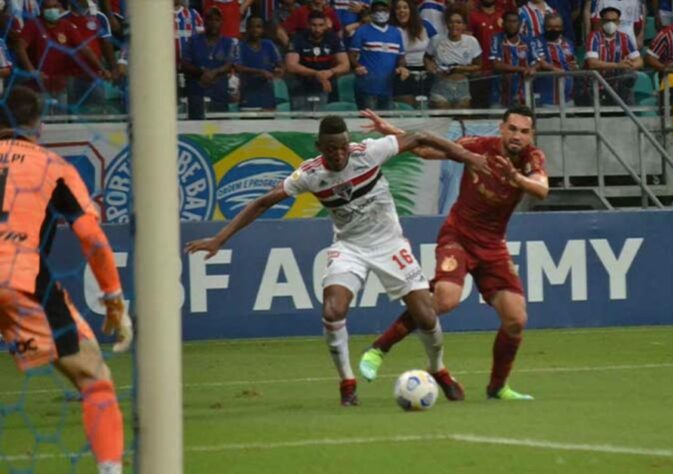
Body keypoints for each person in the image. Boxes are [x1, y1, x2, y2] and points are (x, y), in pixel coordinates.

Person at [185, 115, 491, 405]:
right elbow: (263, 202)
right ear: (320, 148)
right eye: (332, 149)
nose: (340, 154)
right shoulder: (310, 174)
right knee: (333, 309)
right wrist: (219, 239)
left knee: (426, 316)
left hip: (390, 244)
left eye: (344, 146)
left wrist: (468, 157)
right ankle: (347, 383)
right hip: (350, 247)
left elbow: (421, 136)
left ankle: (438, 369)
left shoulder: (369, 152)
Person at [358, 105, 549, 401]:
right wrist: (392, 133)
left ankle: (497, 387)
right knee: (446, 299)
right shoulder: (478, 147)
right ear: (501, 128)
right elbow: (425, 150)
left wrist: (517, 178)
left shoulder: (531, 159)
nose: (517, 136)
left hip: (493, 245)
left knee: (516, 319)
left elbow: (541, 189)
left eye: (524, 131)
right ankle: (379, 349)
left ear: (531, 135)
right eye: (512, 129)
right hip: (458, 235)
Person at [0, 86, 131, 474]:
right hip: (17, 276)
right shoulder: (51, 166)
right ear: (37, 126)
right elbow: (91, 237)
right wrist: (114, 300)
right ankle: (110, 470)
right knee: (95, 379)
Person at [19, 0, 108, 114]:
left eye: (55, 6)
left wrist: (101, 68)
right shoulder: (33, 25)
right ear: (41, 10)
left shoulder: (66, 26)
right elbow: (20, 47)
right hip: (39, 84)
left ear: (60, 8)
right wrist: (31, 70)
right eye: (48, 7)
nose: (52, 10)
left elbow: (85, 49)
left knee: (61, 119)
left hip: (60, 84)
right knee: (41, 120)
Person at [349, 0, 409, 110]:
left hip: (388, 87)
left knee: (386, 122)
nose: (381, 13)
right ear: (371, 12)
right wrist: (357, 66)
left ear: (389, 11)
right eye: (377, 10)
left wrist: (401, 67)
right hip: (366, 87)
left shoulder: (396, 33)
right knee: (368, 123)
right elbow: (352, 55)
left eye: (384, 10)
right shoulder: (362, 31)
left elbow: (401, 57)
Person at [286, 10, 350, 109]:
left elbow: (345, 65)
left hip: (324, 83)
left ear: (326, 25)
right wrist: (316, 73)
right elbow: (291, 66)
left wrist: (330, 72)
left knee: (320, 116)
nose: (317, 29)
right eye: (314, 25)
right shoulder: (298, 38)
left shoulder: (333, 38)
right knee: (300, 119)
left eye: (321, 25)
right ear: (308, 25)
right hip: (300, 83)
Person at [181, 7, 237, 119]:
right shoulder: (193, 41)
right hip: (197, 93)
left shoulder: (228, 42)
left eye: (217, 20)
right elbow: (185, 64)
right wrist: (201, 72)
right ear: (204, 22)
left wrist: (214, 72)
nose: (213, 23)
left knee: (220, 132)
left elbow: (229, 64)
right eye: (210, 19)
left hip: (219, 94)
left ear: (221, 23)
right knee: (196, 131)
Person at [65, 0, 117, 114]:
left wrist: (113, 69)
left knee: (97, 113)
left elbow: (106, 45)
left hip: (94, 75)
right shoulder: (63, 19)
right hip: (70, 76)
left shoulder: (100, 17)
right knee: (72, 114)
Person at [425, 7, 482, 109]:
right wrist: (430, 66)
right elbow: (427, 57)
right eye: (451, 22)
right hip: (441, 85)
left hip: (462, 86)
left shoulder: (472, 41)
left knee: (461, 119)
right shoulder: (436, 40)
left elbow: (478, 65)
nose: (454, 25)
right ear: (447, 24)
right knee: (443, 119)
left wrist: (461, 69)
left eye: (458, 22)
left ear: (464, 25)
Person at [584, 6, 642, 105]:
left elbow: (639, 61)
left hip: (617, 87)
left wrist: (629, 65)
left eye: (614, 20)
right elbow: (592, 63)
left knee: (631, 75)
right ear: (601, 22)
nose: (611, 23)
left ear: (618, 22)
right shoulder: (594, 37)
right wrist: (618, 65)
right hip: (596, 86)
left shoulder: (624, 38)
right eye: (607, 20)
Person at [491, 11, 539, 106]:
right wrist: (521, 68)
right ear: (503, 23)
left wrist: (533, 68)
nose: (511, 25)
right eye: (508, 21)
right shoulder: (496, 39)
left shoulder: (528, 41)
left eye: (514, 21)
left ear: (520, 24)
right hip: (500, 94)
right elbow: (496, 64)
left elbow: (537, 61)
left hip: (522, 94)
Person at [237, 16, 284, 110]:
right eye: (252, 26)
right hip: (248, 92)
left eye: (258, 27)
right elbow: (238, 67)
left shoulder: (269, 44)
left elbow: (280, 65)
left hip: (267, 92)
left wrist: (278, 72)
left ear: (263, 29)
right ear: (247, 28)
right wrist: (260, 72)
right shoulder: (240, 46)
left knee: (269, 123)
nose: (255, 30)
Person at [392, 0, 433, 106]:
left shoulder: (425, 25)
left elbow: (437, 44)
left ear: (411, 10)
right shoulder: (390, 29)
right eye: (398, 8)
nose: (402, 11)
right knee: (407, 105)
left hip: (425, 72)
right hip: (402, 72)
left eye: (405, 7)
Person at [535, 13, 578, 106]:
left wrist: (574, 66)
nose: (553, 30)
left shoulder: (568, 42)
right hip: (546, 99)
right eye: (549, 27)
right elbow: (540, 61)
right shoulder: (537, 41)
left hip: (568, 98)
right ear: (544, 27)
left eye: (557, 27)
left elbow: (572, 62)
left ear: (562, 27)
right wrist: (556, 70)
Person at [468, 0, 504, 108]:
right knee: (480, 107)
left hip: (502, 70)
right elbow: (468, 43)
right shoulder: (473, 15)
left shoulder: (502, 14)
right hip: (480, 71)